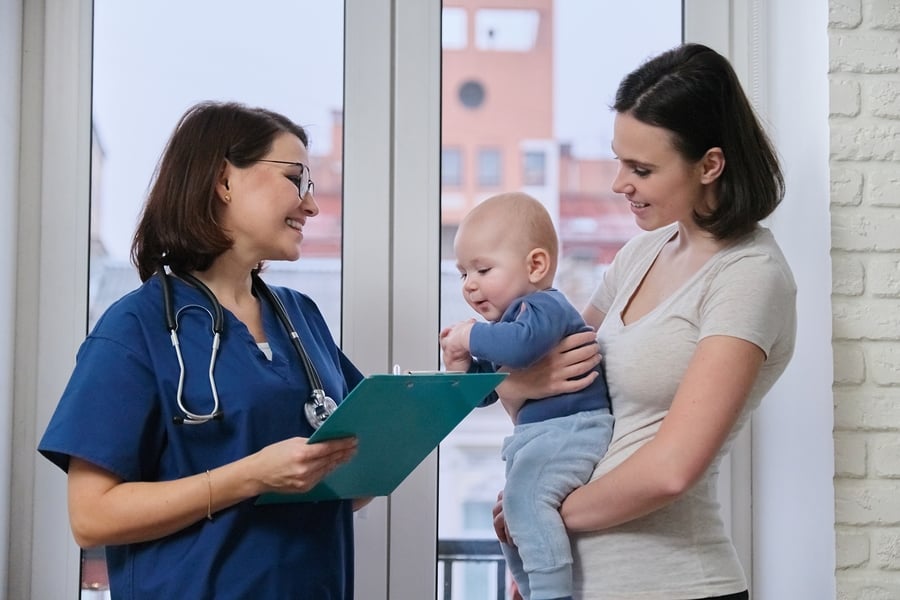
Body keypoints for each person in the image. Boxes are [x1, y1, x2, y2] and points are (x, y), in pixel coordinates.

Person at [490, 43, 797, 600]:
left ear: (710, 164)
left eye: (642, 168)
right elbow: (549, 380)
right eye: (618, 161)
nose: (619, 183)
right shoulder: (640, 255)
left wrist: (541, 514)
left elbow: (671, 471)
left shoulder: (749, 276)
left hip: (672, 584)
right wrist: (532, 533)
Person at [38, 101, 365, 599]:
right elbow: (91, 517)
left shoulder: (301, 318)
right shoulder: (136, 328)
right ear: (224, 180)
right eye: (296, 179)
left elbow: (351, 483)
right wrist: (248, 476)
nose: (312, 205)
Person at [440, 192, 614, 600]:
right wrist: (459, 366)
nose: (469, 285)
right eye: (463, 273)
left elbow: (520, 347)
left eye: (483, 269)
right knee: (513, 514)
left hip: (574, 429)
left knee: (526, 502)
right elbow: (483, 396)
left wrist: (471, 335)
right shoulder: (507, 325)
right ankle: (535, 586)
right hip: (541, 437)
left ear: (536, 265)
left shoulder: (543, 308)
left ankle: (553, 593)